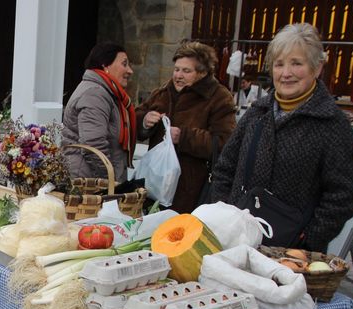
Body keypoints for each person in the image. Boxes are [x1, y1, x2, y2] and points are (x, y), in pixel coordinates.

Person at [199, 23, 353, 309]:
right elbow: (225, 169)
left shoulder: (331, 126)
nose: (286, 72)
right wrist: (223, 215)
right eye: (279, 64)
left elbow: (343, 195)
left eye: (297, 63)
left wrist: (308, 240)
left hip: (290, 250)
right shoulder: (256, 114)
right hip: (241, 243)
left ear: (318, 68)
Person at [136, 42, 236, 213]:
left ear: (203, 73)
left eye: (186, 71)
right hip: (156, 186)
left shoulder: (219, 97)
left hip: (193, 189)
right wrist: (145, 121)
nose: (178, 75)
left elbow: (225, 143)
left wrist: (184, 137)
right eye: (176, 69)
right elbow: (135, 120)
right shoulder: (162, 93)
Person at [62, 42, 137, 184]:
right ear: (105, 65)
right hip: (89, 184)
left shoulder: (106, 92)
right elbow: (93, 144)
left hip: (92, 180)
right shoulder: (95, 94)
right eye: (124, 64)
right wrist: (109, 181)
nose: (130, 71)